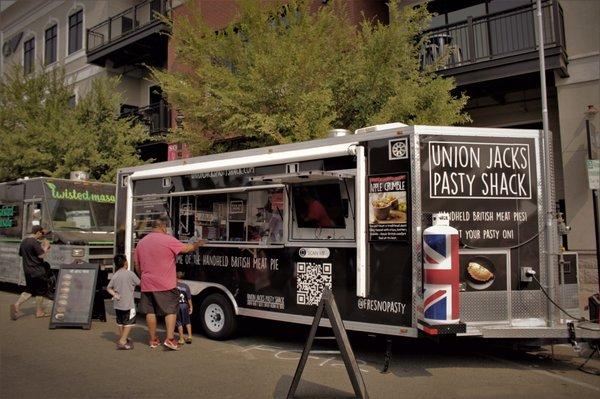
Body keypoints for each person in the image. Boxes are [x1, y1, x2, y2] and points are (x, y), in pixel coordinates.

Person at [134, 216, 204, 350]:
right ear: (163, 227)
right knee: (171, 310)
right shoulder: (167, 240)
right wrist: (197, 244)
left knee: (150, 311)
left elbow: (137, 264)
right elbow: (186, 249)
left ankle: (153, 340)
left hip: (147, 283)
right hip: (165, 283)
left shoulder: (141, 242)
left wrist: (142, 277)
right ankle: (170, 339)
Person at [10, 226, 52, 320]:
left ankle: (17, 304)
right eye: (41, 233)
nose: (42, 236)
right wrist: (46, 247)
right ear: (38, 232)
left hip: (28, 270)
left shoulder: (24, 241)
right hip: (38, 271)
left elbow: (21, 254)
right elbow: (41, 255)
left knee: (29, 290)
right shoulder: (34, 242)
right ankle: (39, 312)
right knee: (40, 292)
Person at [106, 254, 140, 350]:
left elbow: (108, 288)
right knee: (129, 323)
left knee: (120, 322)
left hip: (118, 303)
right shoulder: (130, 274)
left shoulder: (115, 275)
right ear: (126, 262)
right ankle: (122, 341)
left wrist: (115, 295)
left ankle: (122, 338)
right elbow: (140, 283)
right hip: (128, 303)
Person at [175, 271, 193, 345]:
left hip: (177, 306)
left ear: (176, 277)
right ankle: (189, 336)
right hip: (185, 306)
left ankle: (181, 339)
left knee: (179, 323)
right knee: (187, 322)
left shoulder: (174, 286)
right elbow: (189, 298)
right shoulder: (186, 286)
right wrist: (191, 307)